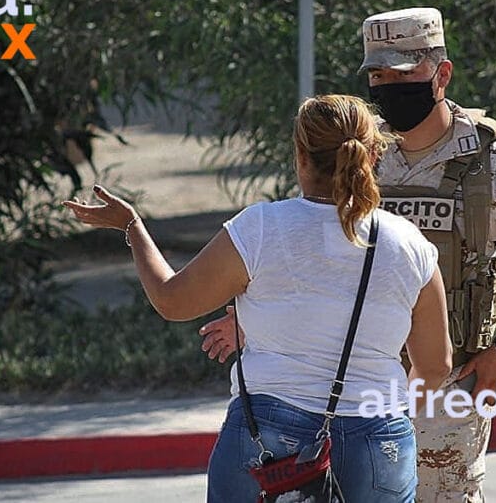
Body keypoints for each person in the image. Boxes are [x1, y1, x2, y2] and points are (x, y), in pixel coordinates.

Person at [202, 7, 496, 502]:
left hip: (450, 390)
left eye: (405, 74)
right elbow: (304, 244)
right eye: (379, 75)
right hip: (346, 395)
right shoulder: (352, 148)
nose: (390, 86)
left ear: (441, 73)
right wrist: (255, 318)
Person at [66, 95, 453, 503]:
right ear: (373, 156)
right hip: (379, 436)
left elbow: (172, 300)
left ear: (301, 157)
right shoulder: (410, 244)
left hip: (270, 434)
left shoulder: (262, 229)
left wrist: (132, 226)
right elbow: (435, 364)